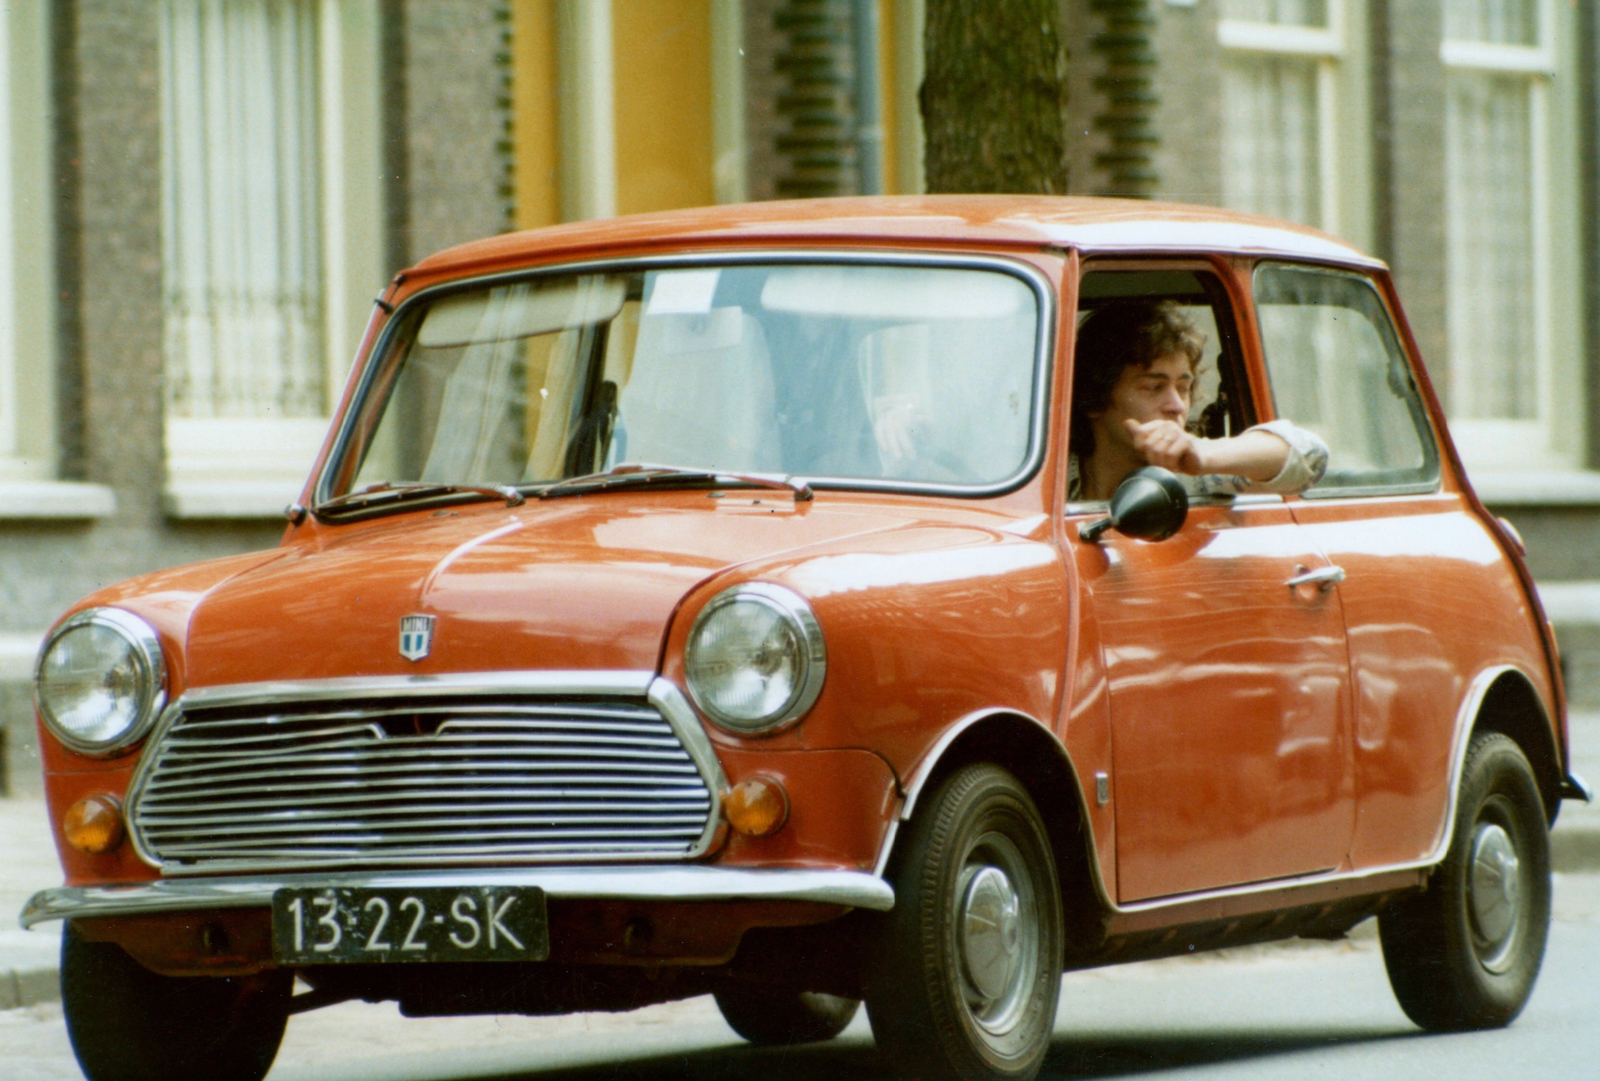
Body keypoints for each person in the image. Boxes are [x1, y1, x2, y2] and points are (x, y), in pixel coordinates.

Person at [1068, 299, 1328, 502]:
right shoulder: (1049, 478)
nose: (1177, 406)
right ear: (1094, 398)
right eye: (1153, 387)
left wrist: (1202, 454)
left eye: (1183, 387)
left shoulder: (1194, 476)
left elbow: (1312, 456)